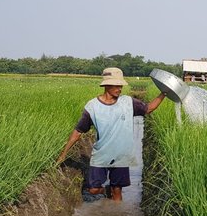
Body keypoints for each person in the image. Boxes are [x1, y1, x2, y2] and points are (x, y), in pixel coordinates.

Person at [57, 67, 167, 201]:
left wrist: (164, 93)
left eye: (120, 85)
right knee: (93, 189)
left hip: (121, 156)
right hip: (101, 155)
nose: (119, 89)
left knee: (117, 192)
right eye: (116, 85)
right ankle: (106, 189)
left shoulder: (128, 102)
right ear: (107, 85)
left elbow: (148, 108)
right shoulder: (92, 107)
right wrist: (63, 155)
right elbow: (78, 131)